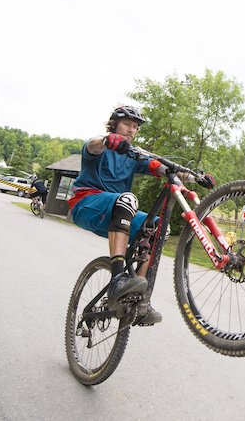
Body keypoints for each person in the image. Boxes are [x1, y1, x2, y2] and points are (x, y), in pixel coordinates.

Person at [68, 105, 215, 326]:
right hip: (87, 204)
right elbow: (93, 145)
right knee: (128, 199)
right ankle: (118, 278)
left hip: (116, 213)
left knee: (159, 227)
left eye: (135, 127)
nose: (131, 130)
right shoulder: (100, 145)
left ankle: (138, 298)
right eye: (127, 124)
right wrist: (107, 141)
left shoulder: (133, 156)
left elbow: (163, 169)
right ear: (114, 124)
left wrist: (196, 178)